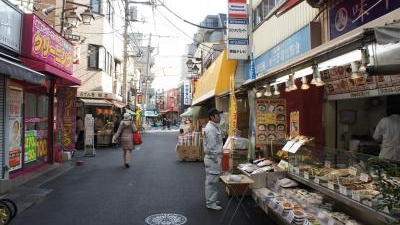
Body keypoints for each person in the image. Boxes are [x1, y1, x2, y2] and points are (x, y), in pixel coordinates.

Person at [203, 108, 224, 211]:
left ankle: (212, 199)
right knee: (211, 181)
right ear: (212, 117)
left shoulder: (214, 127)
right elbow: (211, 148)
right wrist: (217, 159)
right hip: (213, 159)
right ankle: (210, 203)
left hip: (214, 159)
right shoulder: (211, 129)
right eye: (218, 115)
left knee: (213, 181)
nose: (219, 117)